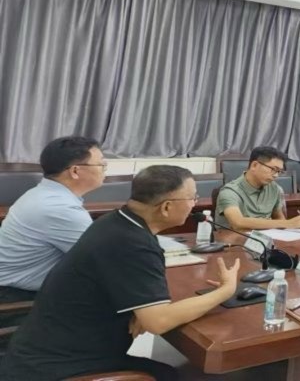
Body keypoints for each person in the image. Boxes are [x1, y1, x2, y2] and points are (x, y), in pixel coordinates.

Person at [0, 165, 240, 381]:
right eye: (192, 197)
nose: (194, 204)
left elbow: (131, 294)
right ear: (166, 207)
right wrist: (224, 291)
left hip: (45, 348)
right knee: (172, 375)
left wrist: (140, 310)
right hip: (59, 366)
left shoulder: (116, 222)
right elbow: (159, 322)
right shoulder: (133, 244)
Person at [0, 136, 103, 309]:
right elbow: (101, 260)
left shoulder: (44, 194)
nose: (104, 169)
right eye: (101, 164)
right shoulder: (60, 208)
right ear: (75, 171)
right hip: (16, 299)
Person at [215, 146, 300, 231]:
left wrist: (287, 223)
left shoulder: (275, 189)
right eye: (273, 169)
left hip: (266, 239)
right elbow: (238, 223)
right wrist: (288, 223)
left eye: (279, 171)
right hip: (233, 241)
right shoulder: (230, 192)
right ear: (254, 165)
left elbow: (279, 218)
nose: (276, 175)